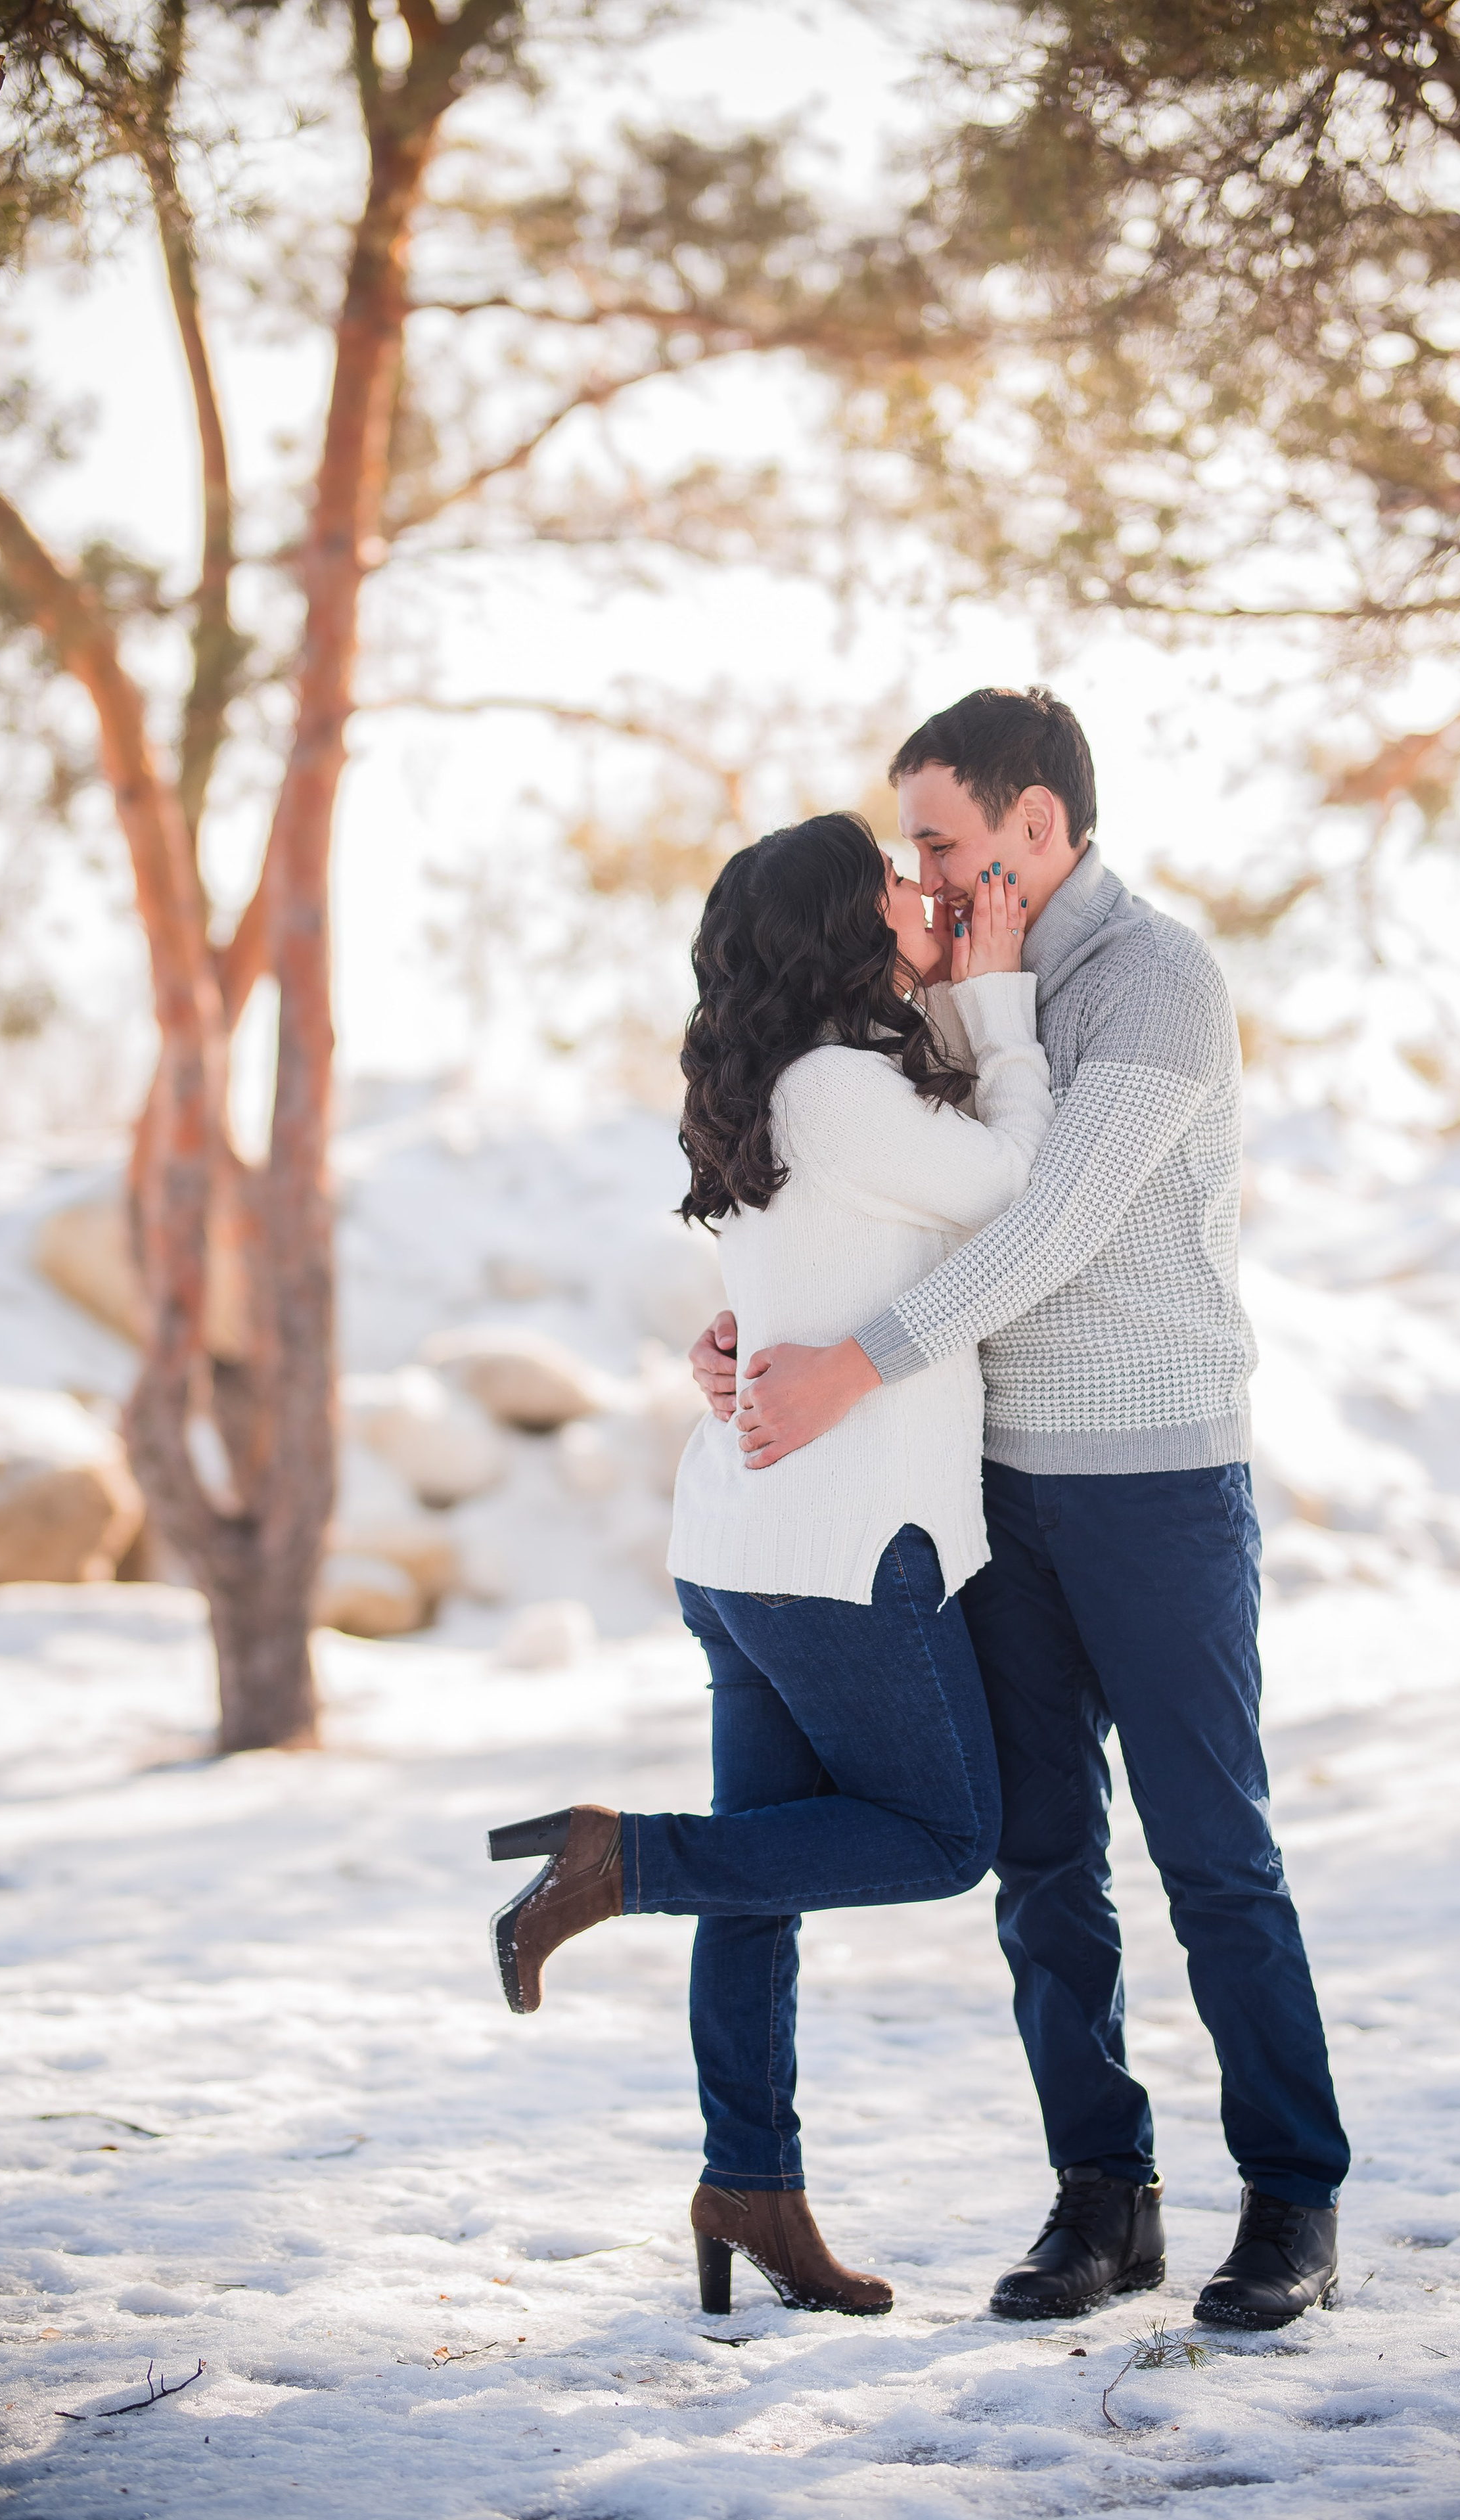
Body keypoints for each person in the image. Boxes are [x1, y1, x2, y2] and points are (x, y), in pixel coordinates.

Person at [691, 689, 1350, 2333]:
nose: (918, 872)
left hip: (1152, 1481)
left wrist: (851, 1364)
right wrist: (746, 1327)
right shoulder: (938, 981)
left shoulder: (1152, 983)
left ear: (1036, 825)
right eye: (909, 847)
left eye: (939, 840)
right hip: (986, 1487)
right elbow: (859, 1189)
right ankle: (1099, 2197)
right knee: (1044, 1866)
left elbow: (1045, 1219)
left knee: (1211, 1855)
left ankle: (1290, 2196)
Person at [486, 810, 1053, 2320]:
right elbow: (1021, 1184)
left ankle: (749, 2181)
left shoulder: (767, 1083)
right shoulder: (839, 1088)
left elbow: (812, 1273)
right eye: (893, 879)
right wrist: (995, 996)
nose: (920, 891)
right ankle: (620, 1861)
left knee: (759, 1876)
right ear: (843, 926)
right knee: (945, 1835)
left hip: (746, 1541)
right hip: (841, 1547)